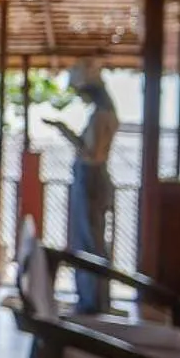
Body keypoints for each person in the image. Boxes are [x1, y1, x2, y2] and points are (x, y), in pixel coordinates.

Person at [48, 60, 118, 313]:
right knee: (91, 239)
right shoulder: (106, 114)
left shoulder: (101, 117)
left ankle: (92, 301)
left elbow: (90, 153)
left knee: (88, 240)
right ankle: (94, 299)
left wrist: (65, 132)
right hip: (93, 177)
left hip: (90, 178)